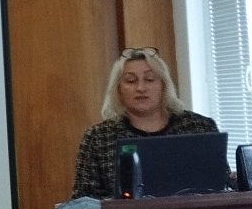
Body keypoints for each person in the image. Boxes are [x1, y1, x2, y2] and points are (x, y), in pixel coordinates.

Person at [70, 46, 219, 199]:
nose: (141, 88)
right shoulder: (98, 137)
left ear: (164, 86)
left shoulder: (200, 127)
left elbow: (220, 188)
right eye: (131, 81)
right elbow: (82, 201)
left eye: (149, 79)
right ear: (118, 89)